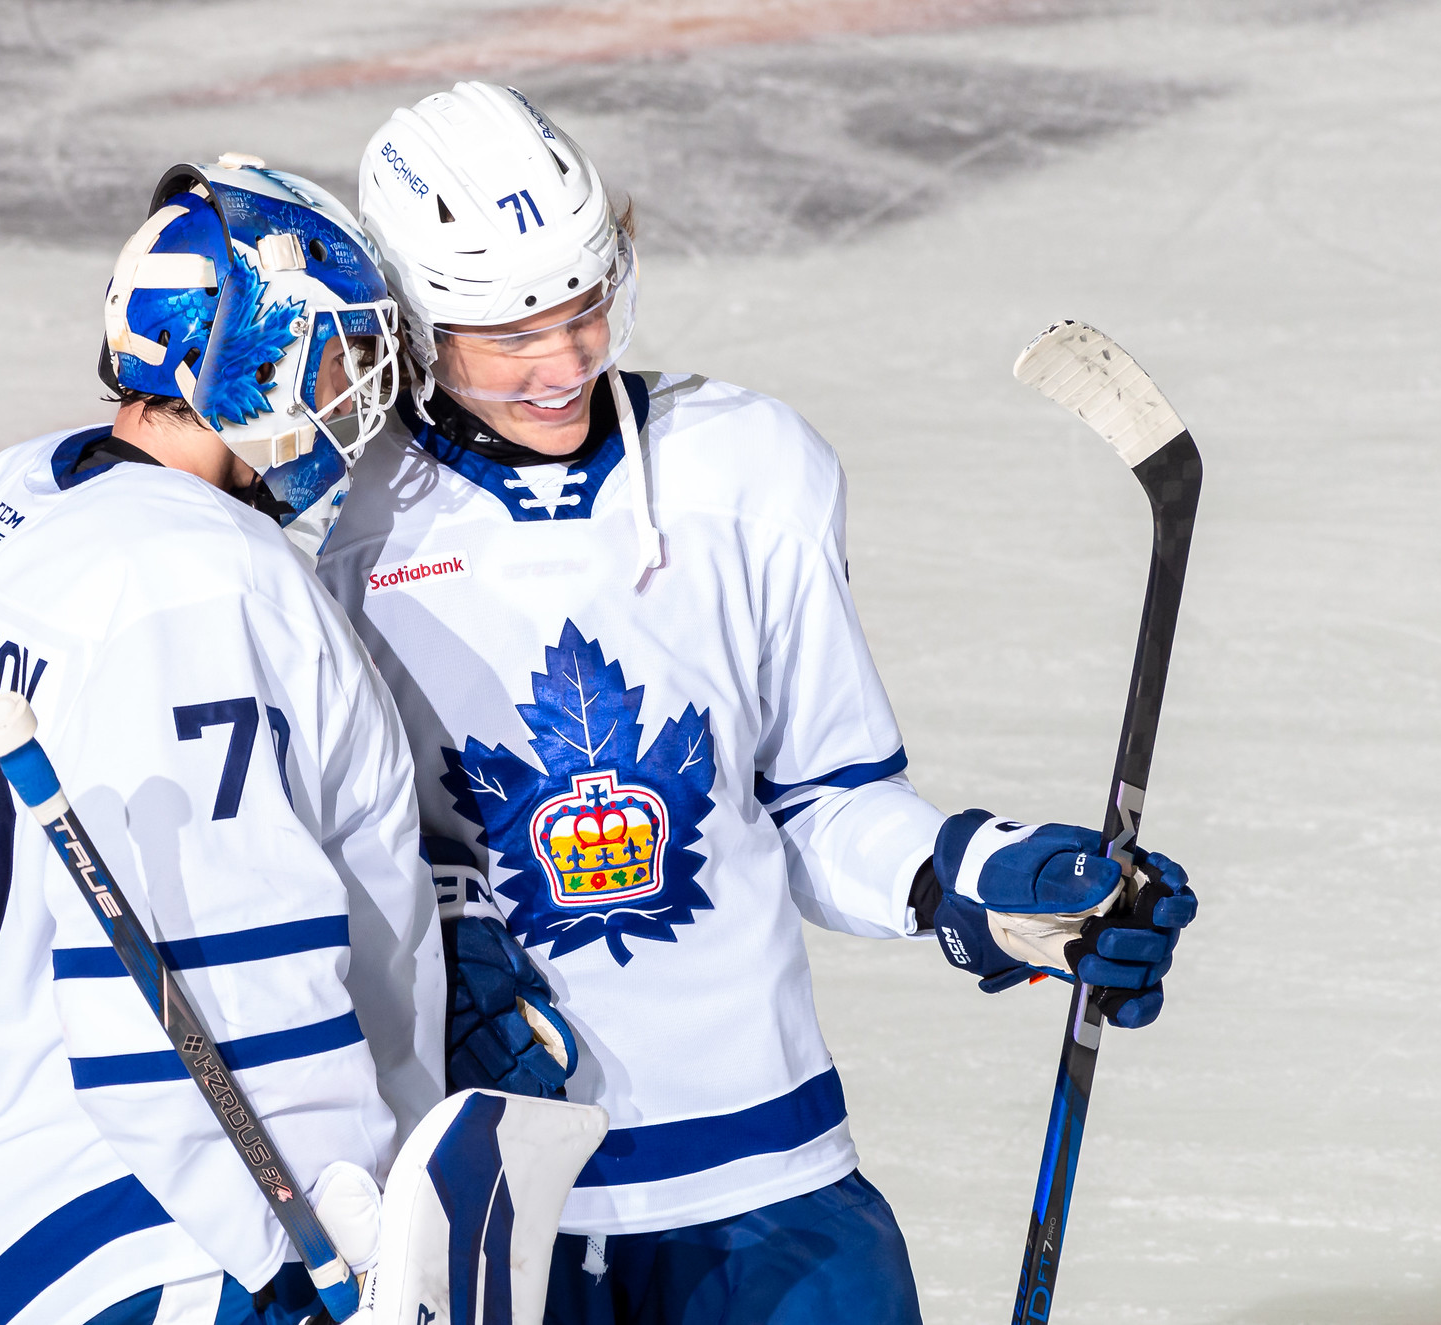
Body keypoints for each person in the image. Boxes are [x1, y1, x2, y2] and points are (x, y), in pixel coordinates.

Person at [317, 84, 1198, 1325]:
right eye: (509, 337)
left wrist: (980, 882)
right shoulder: (341, 531)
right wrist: (415, 960)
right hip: (493, 1208)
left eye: (585, 308)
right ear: (408, 322)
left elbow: (821, 800)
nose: (565, 363)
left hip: (771, 1183)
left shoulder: (748, 467)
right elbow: (306, 861)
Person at [0, 156, 441, 1325]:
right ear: (243, 354)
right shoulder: (205, 581)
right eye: (335, 356)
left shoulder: (23, 496)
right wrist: (327, 1235)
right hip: (149, 1242)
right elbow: (215, 968)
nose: (357, 395)